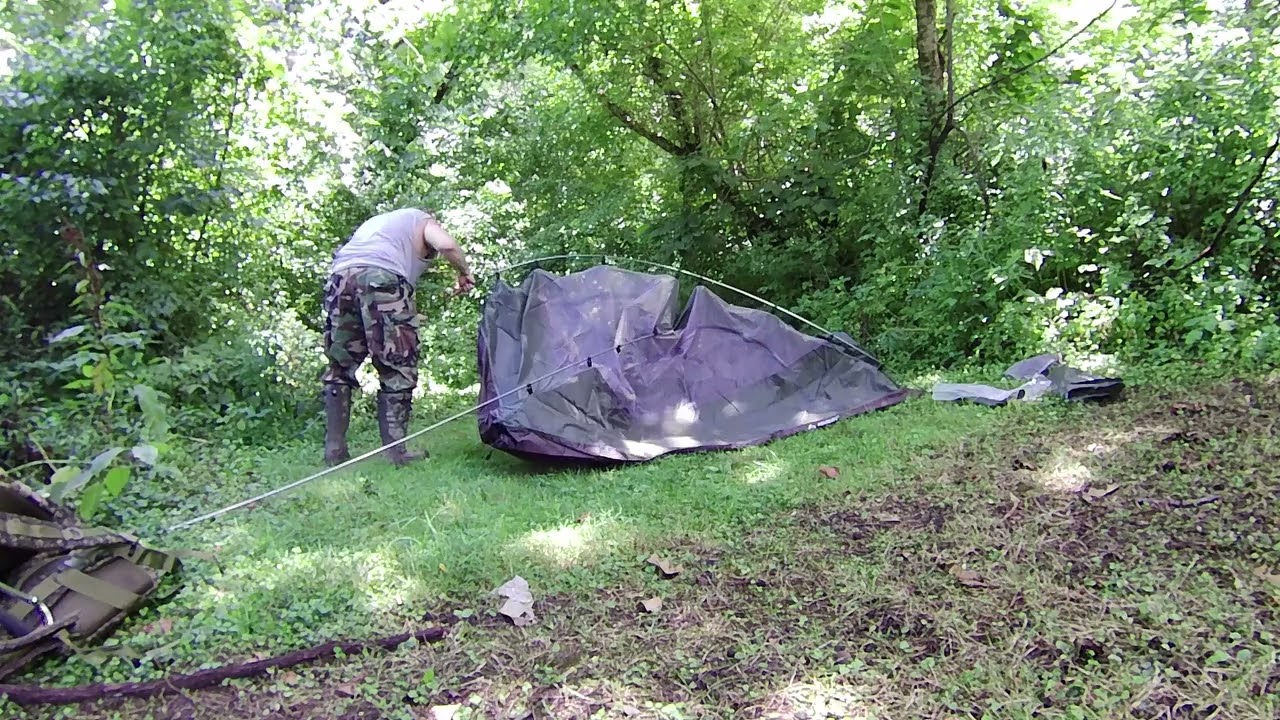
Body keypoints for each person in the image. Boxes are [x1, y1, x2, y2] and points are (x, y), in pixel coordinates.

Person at [319, 207, 475, 467]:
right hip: (381, 277)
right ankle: (396, 453)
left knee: (340, 365)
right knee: (398, 365)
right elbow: (447, 245)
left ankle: (334, 450)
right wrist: (463, 272)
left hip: (340, 277)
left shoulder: (380, 225)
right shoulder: (422, 220)